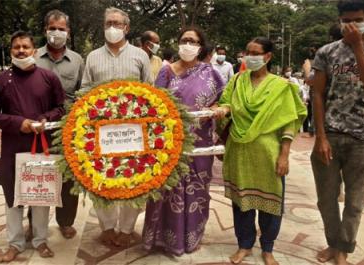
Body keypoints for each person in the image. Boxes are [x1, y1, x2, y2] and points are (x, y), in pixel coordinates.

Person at [213, 37, 307, 265]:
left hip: (269, 153)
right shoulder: (236, 81)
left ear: (268, 56)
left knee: (271, 204)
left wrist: (284, 155)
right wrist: (221, 109)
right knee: (241, 202)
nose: (250, 56)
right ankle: (244, 245)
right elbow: (226, 103)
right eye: (247, 52)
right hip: (239, 151)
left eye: (255, 53)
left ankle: (267, 248)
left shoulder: (282, 86)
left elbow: (289, 122)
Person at [142, 27, 225, 256]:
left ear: (200, 46)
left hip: (200, 146)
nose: (188, 44)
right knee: (166, 192)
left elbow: (222, 99)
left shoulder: (211, 72)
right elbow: (154, 105)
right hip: (169, 144)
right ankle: (161, 237)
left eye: (193, 41)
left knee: (196, 192)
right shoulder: (166, 72)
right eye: (184, 40)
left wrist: (217, 109)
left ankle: (190, 237)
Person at [0, 31, 65, 262]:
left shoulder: (49, 77)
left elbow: (61, 107)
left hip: (42, 146)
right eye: (16, 47)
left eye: (25, 47)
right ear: (11, 52)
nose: (21, 51)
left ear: (35, 51)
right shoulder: (1, 79)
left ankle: (40, 240)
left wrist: (44, 119)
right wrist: (20, 123)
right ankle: (15, 243)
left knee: (41, 194)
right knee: (13, 197)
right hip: (13, 147)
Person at [81, 7, 152, 247]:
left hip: (133, 133)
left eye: (117, 23)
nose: (112, 28)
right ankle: (108, 227)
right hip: (102, 134)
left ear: (126, 28)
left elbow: (151, 92)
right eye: (108, 23)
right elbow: (84, 91)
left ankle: (126, 229)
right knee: (101, 180)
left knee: (134, 179)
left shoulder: (140, 56)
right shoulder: (92, 57)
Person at [310, 1, 364, 264]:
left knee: (355, 202)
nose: (351, 25)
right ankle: (333, 243)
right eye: (346, 20)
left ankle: (343, 248)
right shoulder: (326, 52)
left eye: (357, 19)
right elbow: (317, 94)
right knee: (326, 198)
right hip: (330, 135)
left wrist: (358, 47)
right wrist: (320, 136)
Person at [32, 9, 84, 240]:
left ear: (68, 32)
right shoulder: (33, 58)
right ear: (45, 30)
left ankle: (65, 221)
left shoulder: (77, 60)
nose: (56, 33)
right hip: (39, 127)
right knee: (37, 175)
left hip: (68, 129)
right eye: (52, 28)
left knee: (68, 176)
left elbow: (83, 92)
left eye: (61, 29)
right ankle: (34, 223)